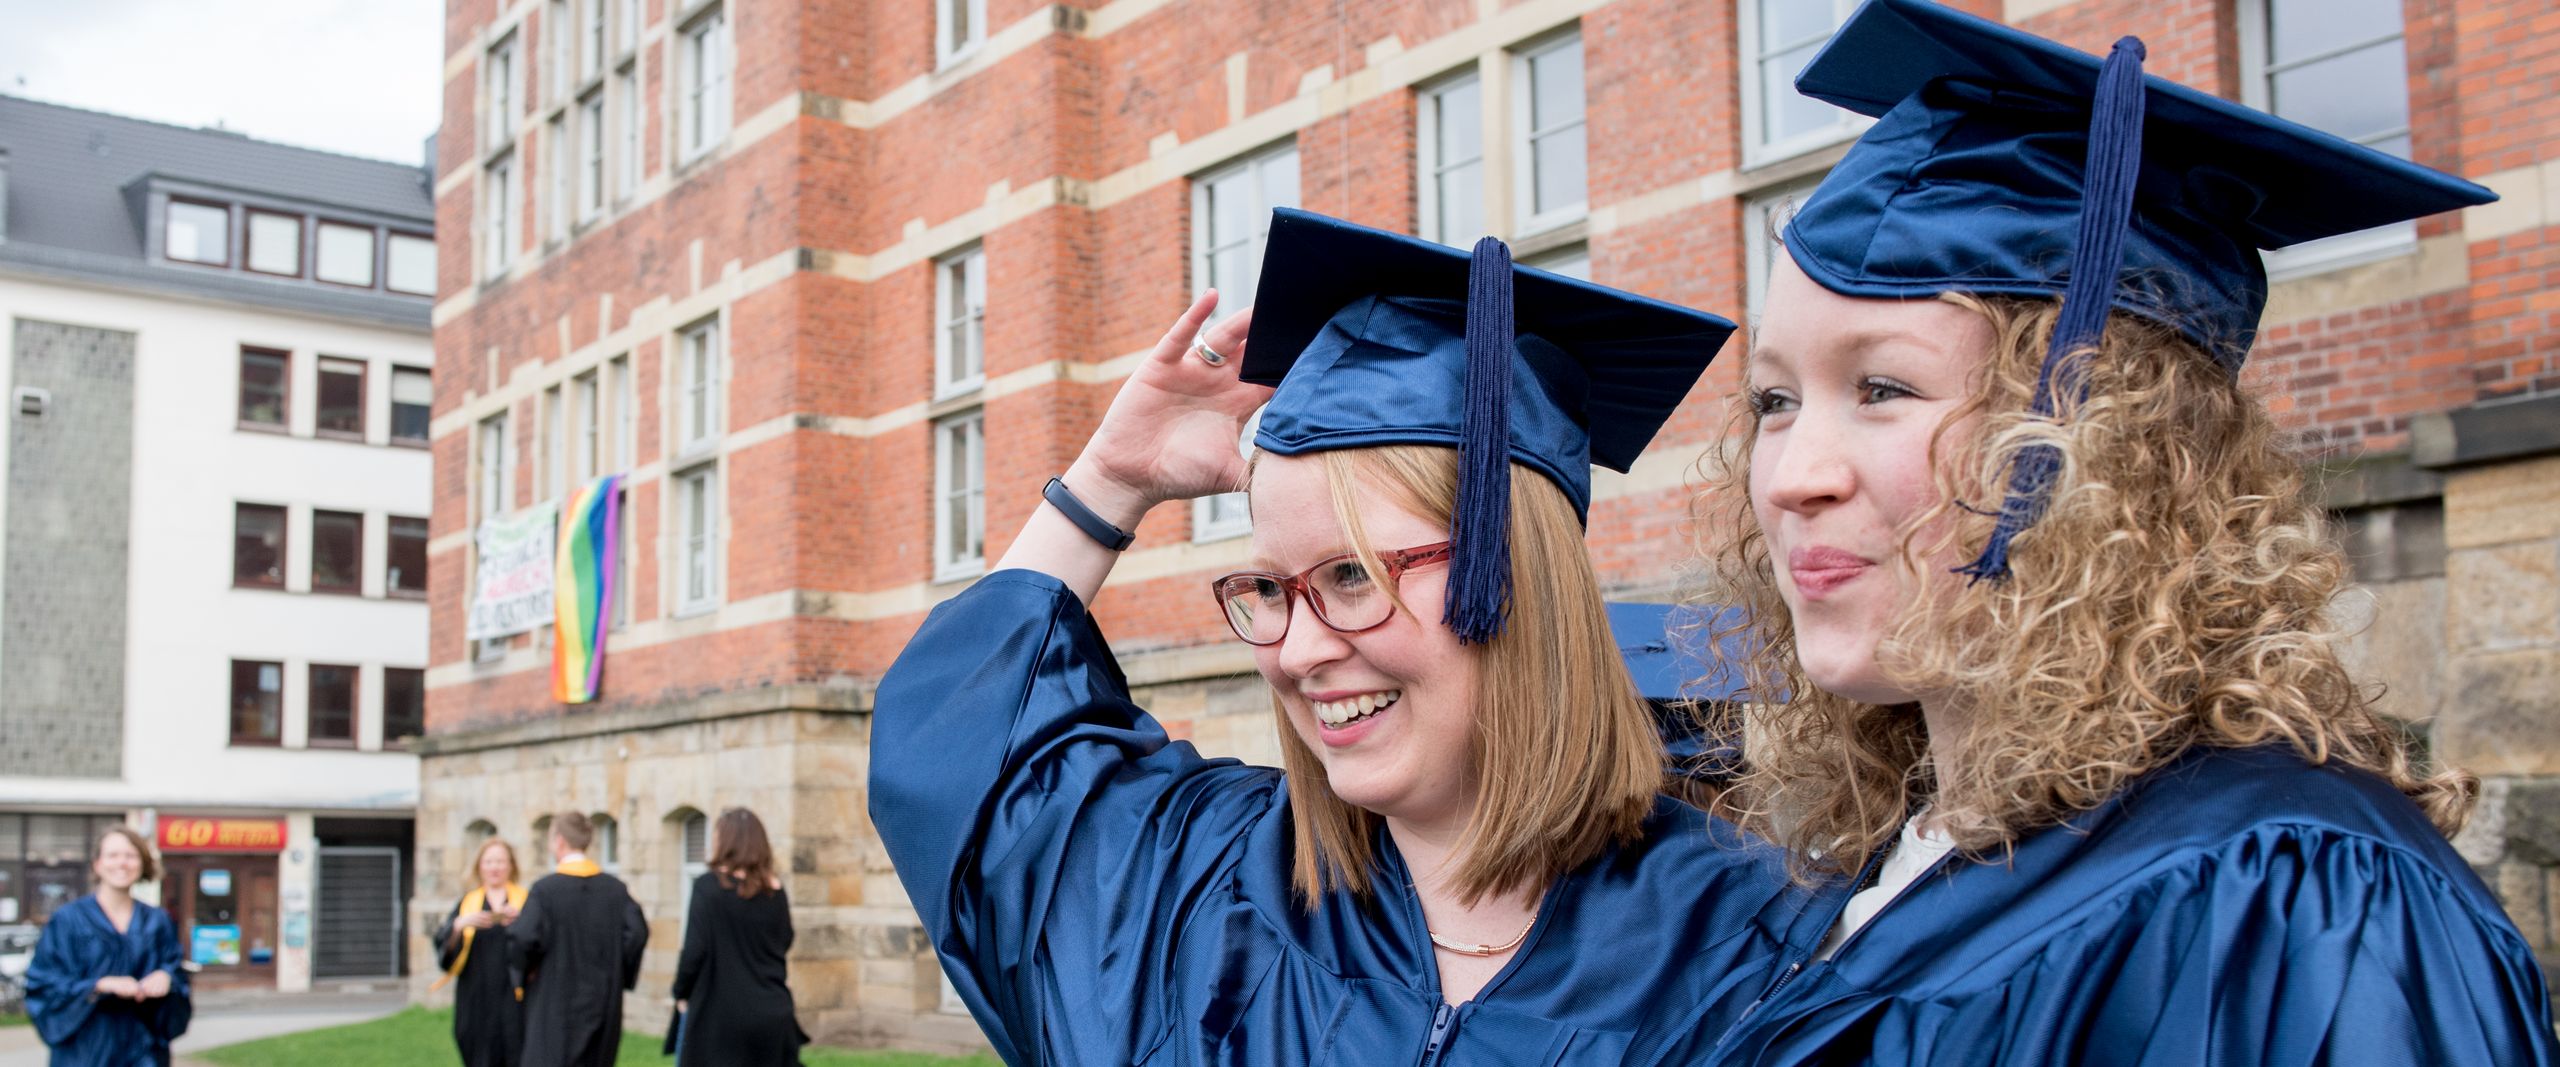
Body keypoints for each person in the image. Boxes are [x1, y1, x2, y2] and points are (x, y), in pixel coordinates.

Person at [1651, 2, 2557, 1063]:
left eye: (1882, 386)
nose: (1794, 475)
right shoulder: (1895, 859)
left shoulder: (2287, 899)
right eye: (1773, 401)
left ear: (2103, 440)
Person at [871, 207, 1826, 1065]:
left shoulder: (1766, 958)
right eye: (1273, 589)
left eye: (1352, 576)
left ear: (1513, 578)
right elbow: (965, 760)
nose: (1296, 650)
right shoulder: (1205, 890)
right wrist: (1108, 486)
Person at [23, 826, 190, 1067]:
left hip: (143, 1049)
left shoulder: (158, 921)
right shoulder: (68, 920)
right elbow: (43, 983)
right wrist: (98, 985)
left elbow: (177, 971)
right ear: (97, 864)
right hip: (84, 1050)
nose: (122, 863)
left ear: (142, 863)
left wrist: (167, 978)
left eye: (131, 855)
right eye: (113, 855)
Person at [511, 811, 648, 1067]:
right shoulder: (615, 890)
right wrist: (620, 971)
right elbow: (637, 932)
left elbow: (523, 937)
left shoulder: (545, 890)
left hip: (553, 997)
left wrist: (525, 971)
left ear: (560, 841)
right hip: (603, 997)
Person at [670, 807, 805, 1067]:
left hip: (720, 1017)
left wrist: (681, 992)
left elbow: (694, 951)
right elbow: (785, 940)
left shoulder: (708, 888)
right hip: (772, 1012)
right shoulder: (775, 891)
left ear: (725, 841)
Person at [434, 837, 528, 1067]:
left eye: (500, 861)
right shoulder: (468, 903)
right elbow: (445, 951)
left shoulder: (525, 901)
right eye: (489, 862)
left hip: (514, 998)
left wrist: (521, 923)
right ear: (479, 866)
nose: (494, 867)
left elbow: (540, 945)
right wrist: (459, 925)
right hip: (476, 996)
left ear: (511, 866)